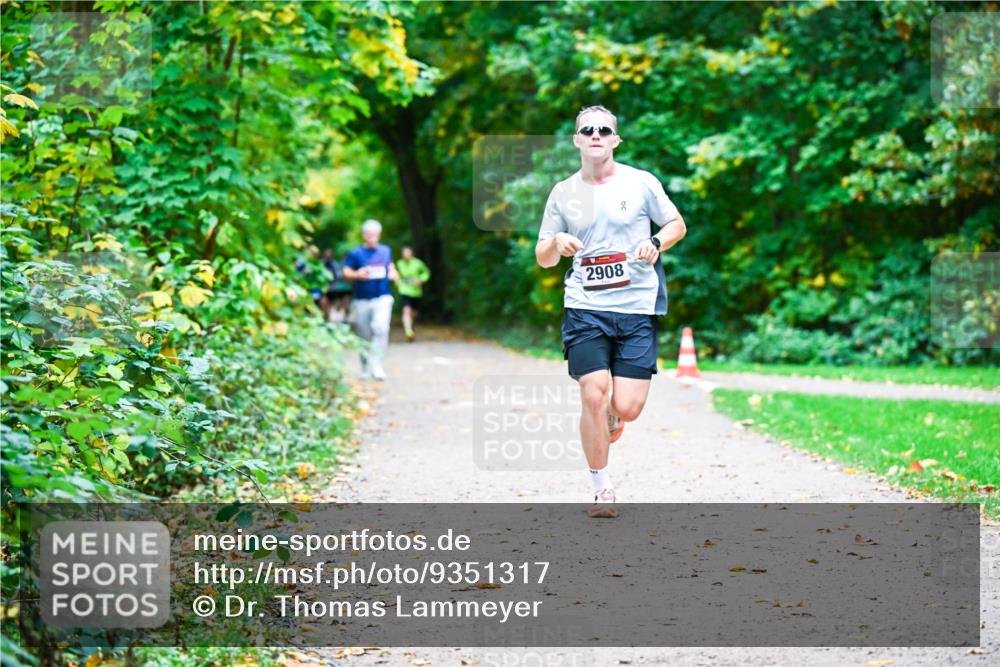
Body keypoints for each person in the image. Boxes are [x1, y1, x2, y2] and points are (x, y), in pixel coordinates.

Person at [535, 105, 687, 518]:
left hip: (637, 306)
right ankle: (602, 488)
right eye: (588, 130)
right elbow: (544, 257)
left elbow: (676, 224)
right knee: (593, 392)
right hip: (585, 306)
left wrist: (656, 243)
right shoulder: (563, 193)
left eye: (605, 130)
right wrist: (558, 242)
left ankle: (614, 419)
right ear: (577, 140)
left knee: (628, 406)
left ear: (615, 139)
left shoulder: (641, 183)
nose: (596, 135)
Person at [342, 219, 398, 380]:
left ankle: (377, 365)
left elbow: (391, 267)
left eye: (375, 234)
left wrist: (394, 274)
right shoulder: (356, 253)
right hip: (362, 300)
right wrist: (356, 274)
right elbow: (345, 272)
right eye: (369, 234)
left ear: (379, 235)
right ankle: (365, 367)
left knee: (381, 329)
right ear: (364, 235)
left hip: (382, 297)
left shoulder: (386, 251)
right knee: (364, 335)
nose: (372, 237)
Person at [395, 246, 431, 341]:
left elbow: (426, 273)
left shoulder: (418, 263)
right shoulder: (399, 263)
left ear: (412, 254)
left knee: (414, 313)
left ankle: (411, 326)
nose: (406, 255)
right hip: (404, 290)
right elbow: (396, 275)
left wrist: (421, 280)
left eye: (408, 253)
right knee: (406, 310)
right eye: (404, 253)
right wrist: (398, 283)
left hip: (416, 291)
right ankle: (408, 331)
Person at [322, 247, 353, 323]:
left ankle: (345, 318)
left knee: (345, 300)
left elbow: (339, 276)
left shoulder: (336, 264)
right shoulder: (322, 264)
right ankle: (326, 320)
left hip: (339, 288)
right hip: (329, 288)